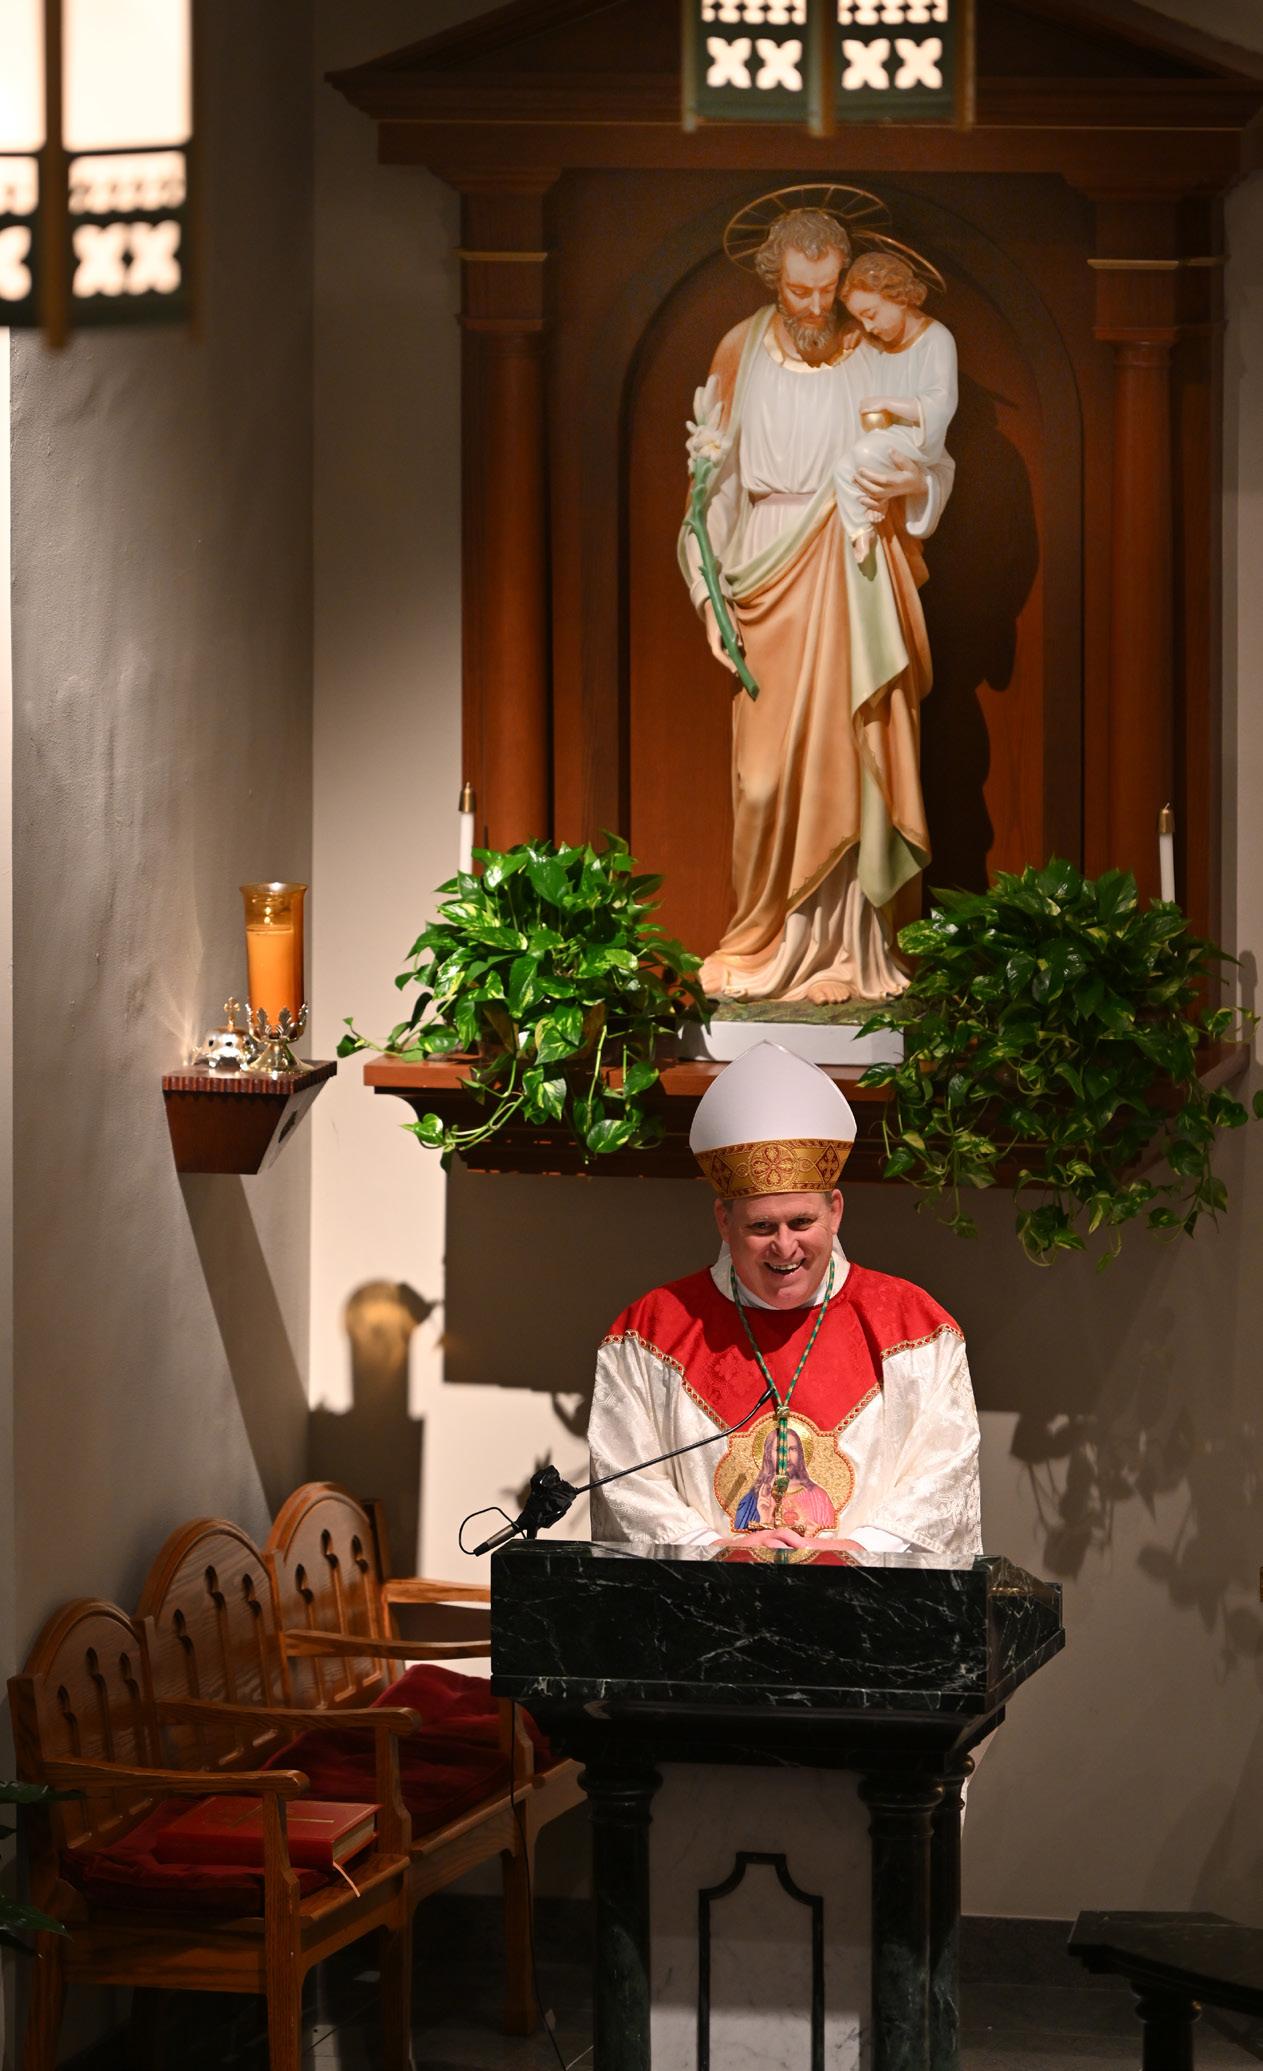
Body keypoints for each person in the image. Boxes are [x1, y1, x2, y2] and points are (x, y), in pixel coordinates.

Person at [680, 204, 955, 1006]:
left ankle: (851, 952)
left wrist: (903, 484)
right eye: (798, 290)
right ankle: (760, 939)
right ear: (775, 277)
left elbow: (925, 455)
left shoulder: (872, 348)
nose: (814, 305)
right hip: (764, 570)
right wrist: (706, 592)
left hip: (852, 566)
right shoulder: (739, 348)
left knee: (857, 759)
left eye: (827, 289)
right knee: (763, 781)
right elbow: (712, 487)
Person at [588, 1042, 982, 1555]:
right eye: (760, 1226)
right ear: (723, 1221)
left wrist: (850, 1554)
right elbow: (626, 1480)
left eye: (801, 1222)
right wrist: (718, 1551)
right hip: (704, 1595)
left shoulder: (913, 1326)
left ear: (835, 1211)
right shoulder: (650, 1333)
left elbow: (943, 1473)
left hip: (868, 1594)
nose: (784, 1246)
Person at [833, 251, 958, 566]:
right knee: (843, 468)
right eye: (861, 318)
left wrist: (887, 403)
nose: (868, 325)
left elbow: (940, 405)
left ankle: (878, 501)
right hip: (888, 438)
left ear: (898, 297)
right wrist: (852, 329)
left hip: (918, 440)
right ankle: (861, 531)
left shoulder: (936, 339)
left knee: (863, 454)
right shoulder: (882, 347)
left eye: (871, 314)